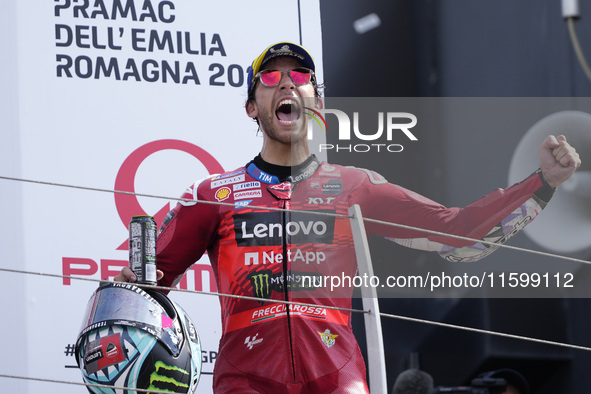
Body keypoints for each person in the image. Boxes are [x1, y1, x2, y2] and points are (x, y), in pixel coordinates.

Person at [115, 42, 581, 393]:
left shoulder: (355, 184)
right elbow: (140, 288)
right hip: (245, 379)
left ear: (316, 101)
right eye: (270, 76)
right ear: (251, 108)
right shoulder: (212, 193)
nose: (286, 82)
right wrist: (118, 323)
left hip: (338, 379)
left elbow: (455, 234)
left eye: (299, 74)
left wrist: (541, 182)